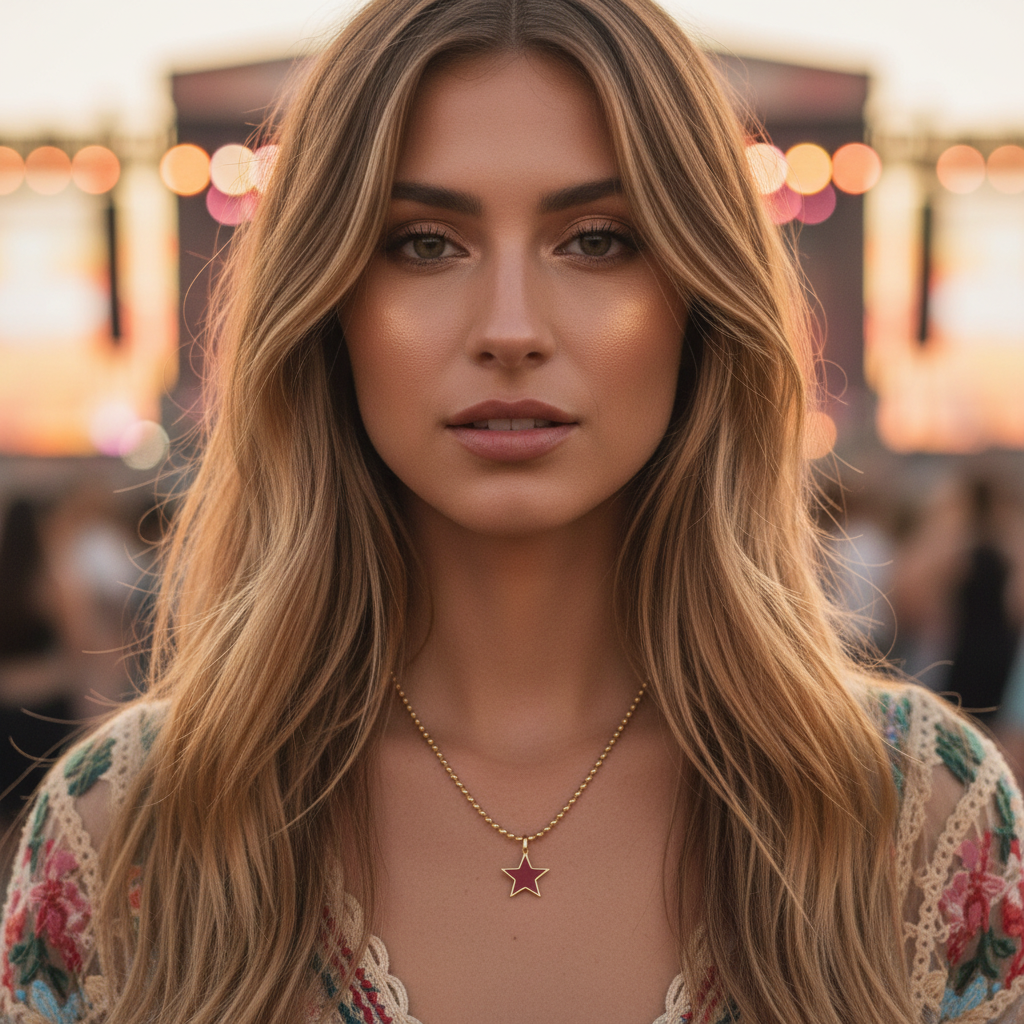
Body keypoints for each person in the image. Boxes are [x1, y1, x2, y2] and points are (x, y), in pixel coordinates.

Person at [2, 2, 1023, 1022]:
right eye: (423, 244)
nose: (509, 330)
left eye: (593, 239)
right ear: (328, 304)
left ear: (698, 297)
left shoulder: (918, 824)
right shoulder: (123, 834)